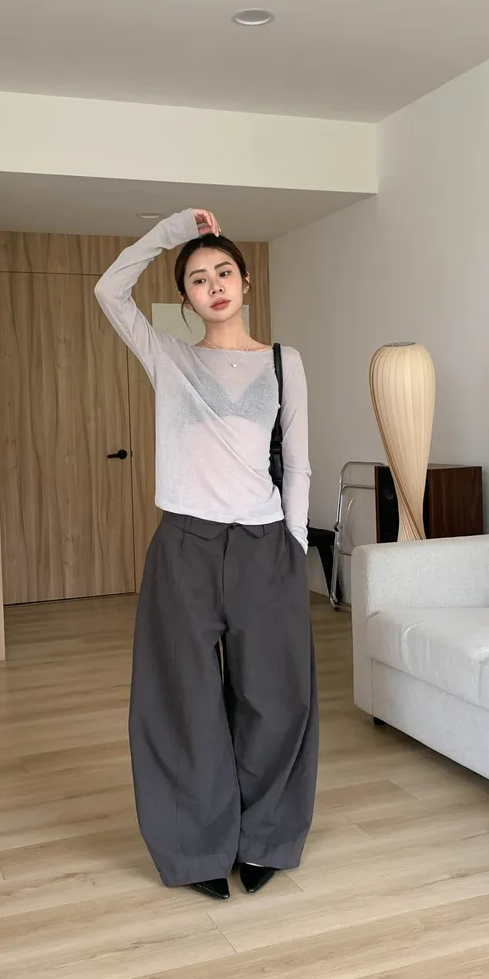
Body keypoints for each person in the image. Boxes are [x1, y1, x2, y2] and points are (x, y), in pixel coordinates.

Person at [94, 207, 318, 901]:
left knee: (274, 700)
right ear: (185, 298)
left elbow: (299, 463)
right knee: (181, 701)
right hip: (185, 547)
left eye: (224, 271)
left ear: (245, 283)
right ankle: (196, 849)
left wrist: (294, 544)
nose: (213, 284)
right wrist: (171, 232)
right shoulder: (169, 357)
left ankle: (266, 840)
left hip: (264, 544)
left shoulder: (283, 362)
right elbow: (108, 290)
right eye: (197, 277)